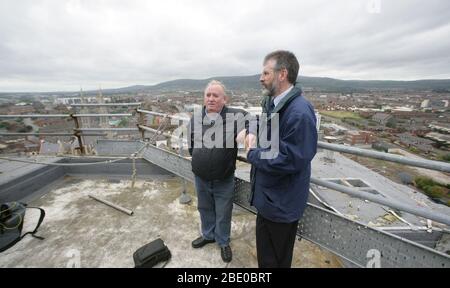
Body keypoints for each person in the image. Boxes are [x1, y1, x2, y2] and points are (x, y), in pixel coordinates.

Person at [246, 50, 318, 268]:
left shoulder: (299, 113)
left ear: (282, 74)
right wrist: (250, 131)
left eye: (266, 73)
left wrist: (252, 154)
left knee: (275, 261)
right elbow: (262, 125)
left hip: (281, 204)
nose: (261, 78)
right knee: (266, 259)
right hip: (270, 199)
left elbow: (290, 158)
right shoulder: (275, 104)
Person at [188, 80, 256, 263]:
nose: (211, 99)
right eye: (208, 95)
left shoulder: (235, 116)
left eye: (215, 95)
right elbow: (190, 144)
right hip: (200, 176)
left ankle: (223, 241)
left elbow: (254, 120)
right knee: (204, 208)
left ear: (224, 99)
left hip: (223, 177)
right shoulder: (195, 118)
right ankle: (208, 235)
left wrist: (249, 133)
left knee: (223, 211)